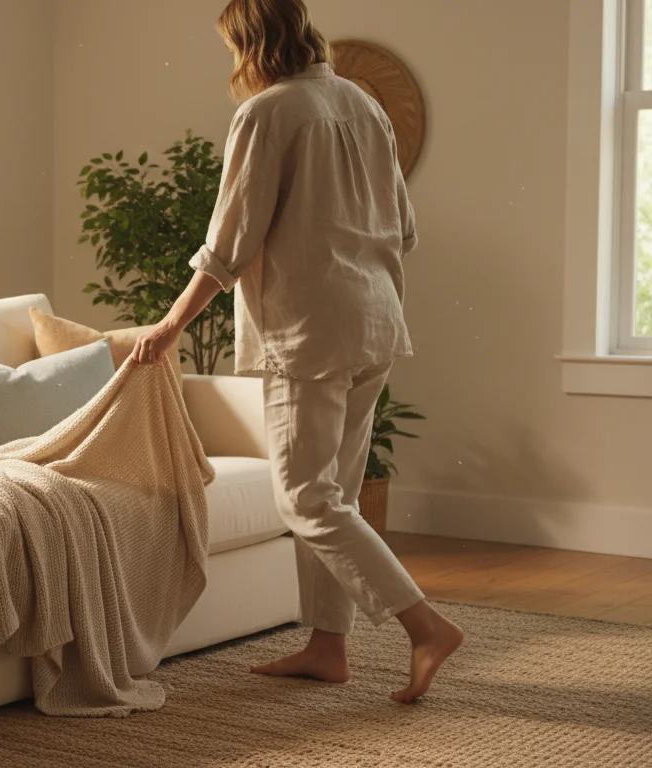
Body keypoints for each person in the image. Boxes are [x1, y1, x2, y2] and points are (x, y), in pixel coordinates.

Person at [130, 0, 463, 703]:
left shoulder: (267, 113)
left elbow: (228, 247)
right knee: (334, 492)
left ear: (253, 42)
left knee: (306, 498)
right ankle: (326, 645)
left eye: (233, 47)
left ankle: (424, 624)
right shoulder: (364, 106)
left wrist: (168, 326)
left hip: (307, 334)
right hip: (375, 323)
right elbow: (404, 230)